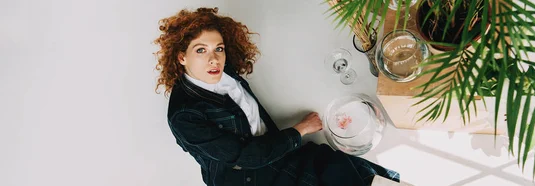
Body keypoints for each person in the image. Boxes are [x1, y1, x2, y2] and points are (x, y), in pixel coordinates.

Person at [154, 7, 400, 186]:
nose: (214, 58)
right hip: (250, 177)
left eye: (218, 48)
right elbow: (246, 157)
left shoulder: (220, 71)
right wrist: (299, 130)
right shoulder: (184, 116)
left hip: (274, 151)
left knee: (342, 165)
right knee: (336, 174)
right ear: (181, 57)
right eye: (201, 50)